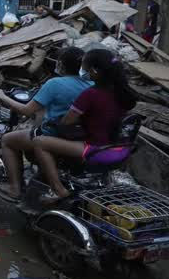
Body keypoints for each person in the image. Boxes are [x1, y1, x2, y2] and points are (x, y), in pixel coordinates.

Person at [32, 49, 137, 201]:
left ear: (94, 71)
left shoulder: (91, 94)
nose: (83, 71)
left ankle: (58, 189)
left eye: (84, 67)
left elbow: (67, 122)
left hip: (96, 149)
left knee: (39, 142)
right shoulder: (124, 93)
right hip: (121, 150)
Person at [0, 47, 89, 200]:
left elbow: (27, 111)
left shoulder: (54, 84)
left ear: (61, 64)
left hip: (55, 135)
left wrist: (2, 96)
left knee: (7, 140)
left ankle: (14, 188)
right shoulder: (91, 84)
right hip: (78, 136)